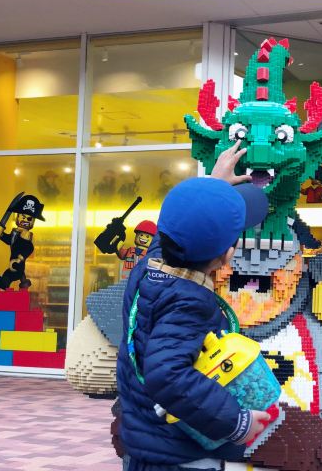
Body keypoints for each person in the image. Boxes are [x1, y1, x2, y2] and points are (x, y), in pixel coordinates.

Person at [116, 142, 271, 471]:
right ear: (226, 255)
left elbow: (174, 229)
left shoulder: (149, 268)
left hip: (146, 436)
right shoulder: (187, 300)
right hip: (177, 453)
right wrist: (236, 422)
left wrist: (213, 184)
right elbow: (168, 376)